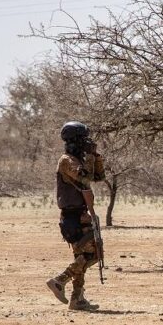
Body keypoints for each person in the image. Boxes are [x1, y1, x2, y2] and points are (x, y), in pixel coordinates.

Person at [46, 121, 106, 311]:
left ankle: (77, 299)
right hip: (73, 217)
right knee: (92, 254)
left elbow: (98, 177)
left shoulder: (78, 159)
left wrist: (95, 156)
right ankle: (59, 280)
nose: (86, 142)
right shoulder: (67, 160)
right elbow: (85, 178)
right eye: (83, 139)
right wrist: (89, 157)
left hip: (80, 215)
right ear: (75, 141)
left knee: (81, 256)